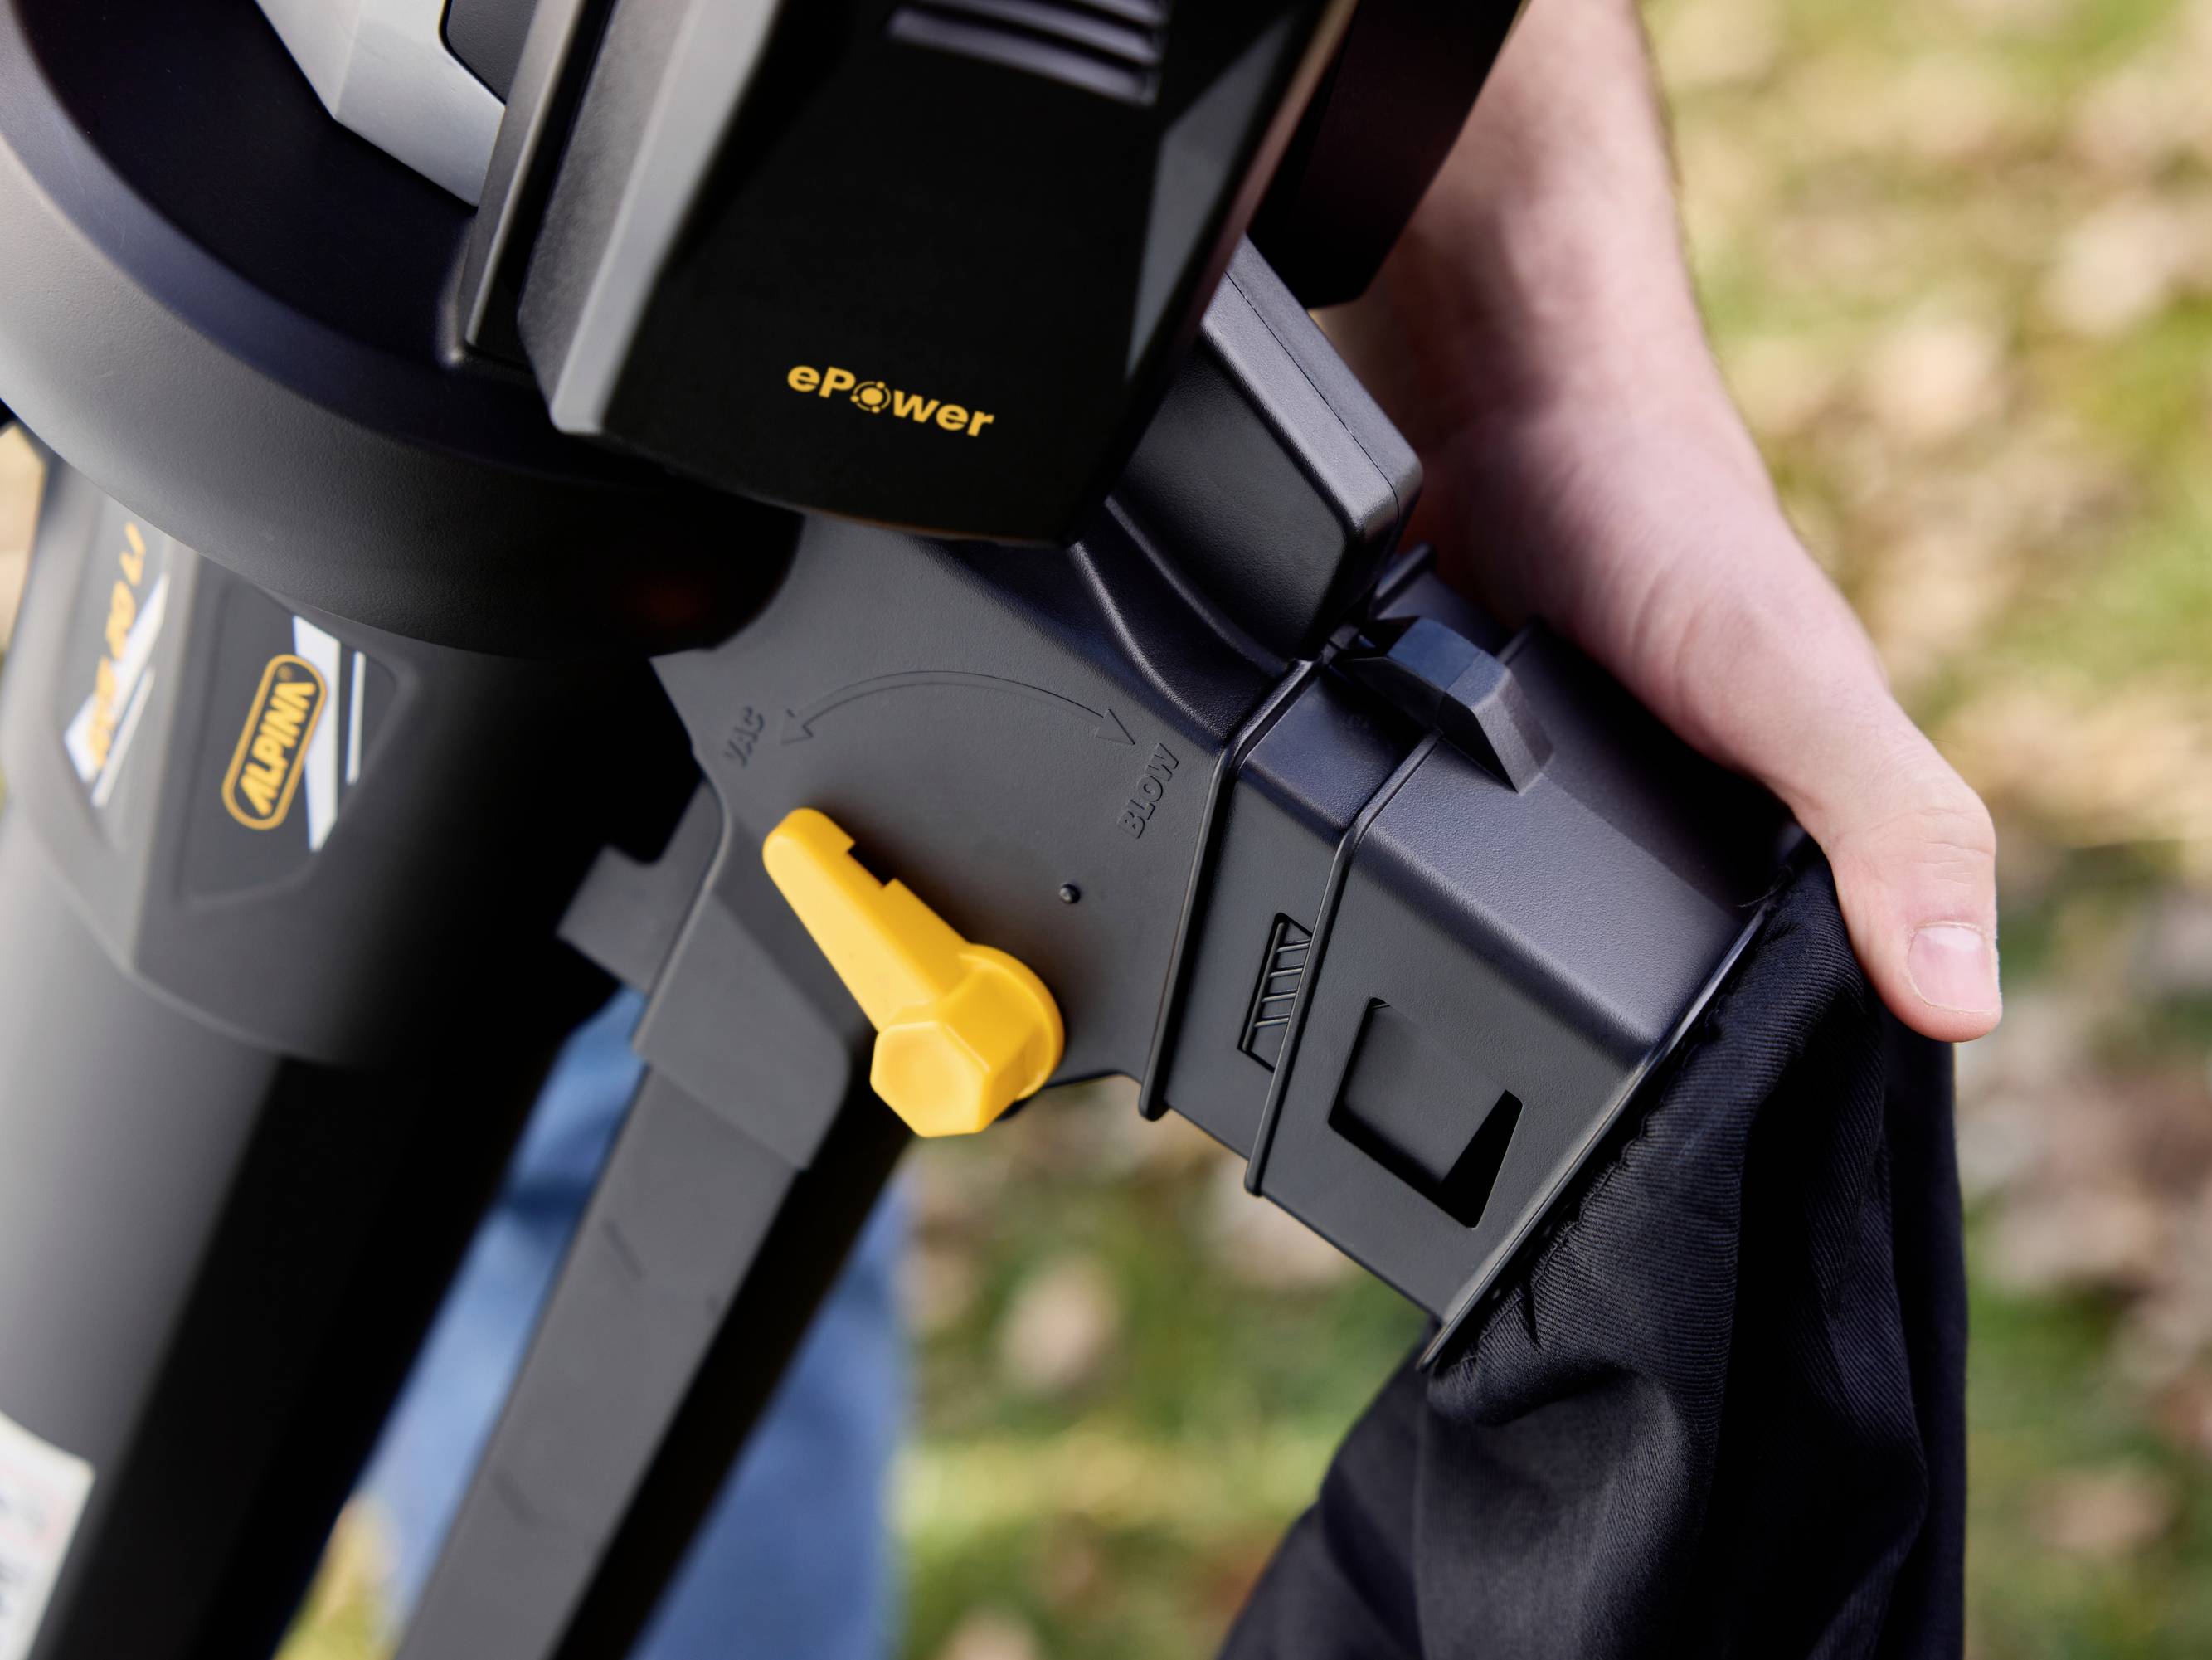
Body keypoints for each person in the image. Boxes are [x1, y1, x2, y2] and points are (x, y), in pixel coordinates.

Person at [363, 0, 2002, 1652]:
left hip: (847, 353)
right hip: (383, 208)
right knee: (500, 1071)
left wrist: (1546, 354)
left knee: (609, 1117)